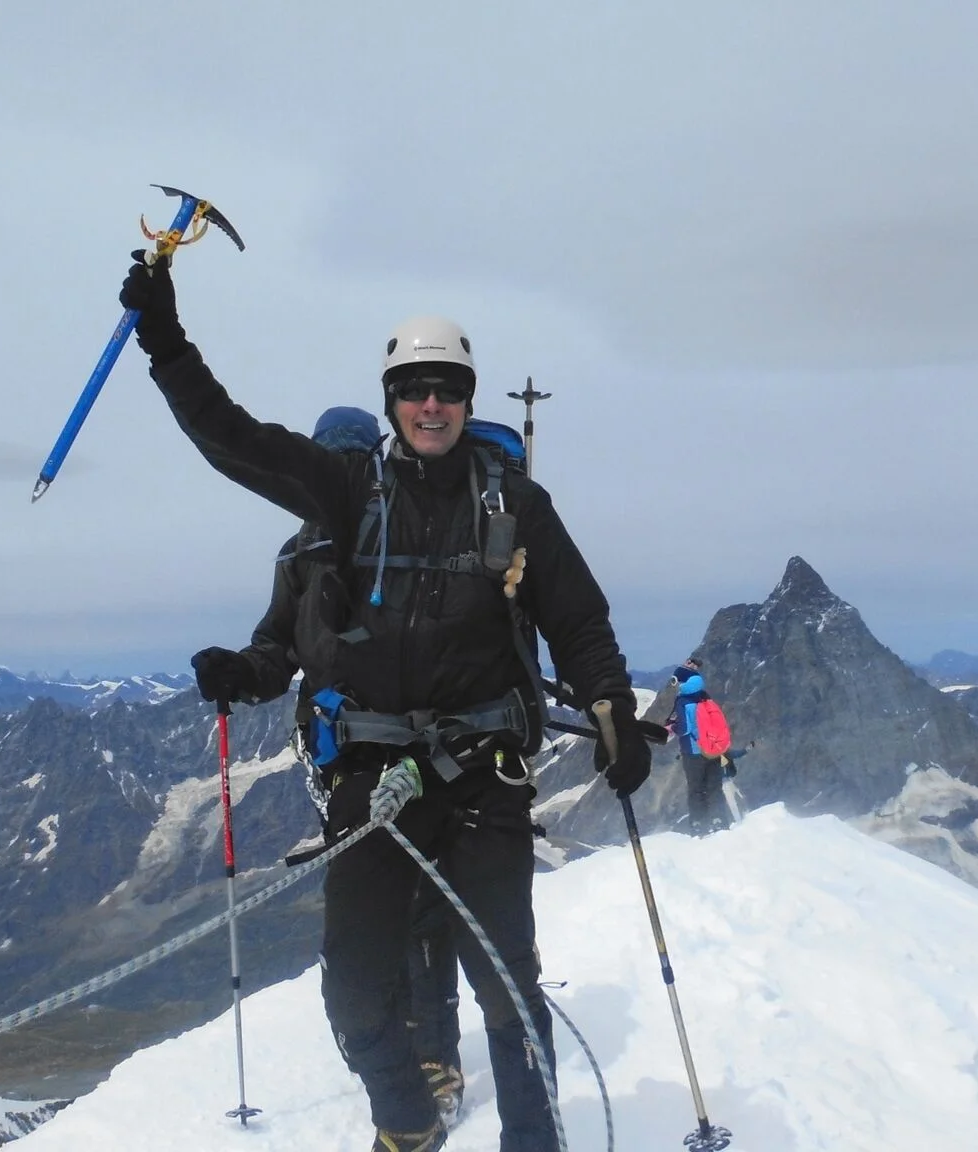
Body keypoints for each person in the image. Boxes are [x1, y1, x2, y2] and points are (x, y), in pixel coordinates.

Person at [121, 252, 651, 1152]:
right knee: (358, 989)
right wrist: (164, 338)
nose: (431, 404)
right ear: (392, 399)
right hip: (372, 779)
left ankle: (533, 1141)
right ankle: (408, 1119)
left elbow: (579, 619)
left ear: (467, 397)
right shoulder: (344, 492)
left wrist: (608, 707)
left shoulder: (517, 503)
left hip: (485, 776)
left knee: (506, 982)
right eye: (414, 388)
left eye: (446, 388)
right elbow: (231, 437)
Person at [189, 405, 468, 1125]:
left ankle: (430, 1055)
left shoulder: (384, 541)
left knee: (416, 903)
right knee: (390, 906)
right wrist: (239, 673)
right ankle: (413, 1057)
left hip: (406, 751)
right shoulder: (300, 555)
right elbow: (277, 651)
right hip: (343, 759)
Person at [668, 658, 735, 834]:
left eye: (676, 681)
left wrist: (672, 727)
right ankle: (719, 820)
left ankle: (699, 825)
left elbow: (684, 728)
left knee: (696, 789)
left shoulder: (683, 701)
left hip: (693, 752)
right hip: (713, 750)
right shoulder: (704, 696)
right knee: (714, 786)